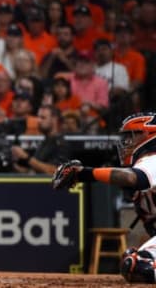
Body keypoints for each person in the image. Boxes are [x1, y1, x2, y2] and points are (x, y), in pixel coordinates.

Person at [52, 112, 156, 283]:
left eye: (132, 135)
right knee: (134, 261)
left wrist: (84, 173)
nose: (126, 142)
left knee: (137, 265)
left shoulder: (152, 158)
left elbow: (133, 178)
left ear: (149, 135)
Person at [11, 104, 70, 174]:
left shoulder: (62, 143)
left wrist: (26, 157)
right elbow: (33, 172)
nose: (38, 121)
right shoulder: (44, 142)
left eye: (43, 117)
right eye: (38, 117)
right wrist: (12, 164)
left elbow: (55, 171)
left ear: (54, 119)